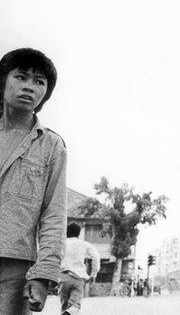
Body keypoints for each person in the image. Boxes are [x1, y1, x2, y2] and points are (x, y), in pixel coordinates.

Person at [0, 48, 67, 314]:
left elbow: (54, 214)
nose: (29, 87)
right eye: (21, 77)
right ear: (3, 81)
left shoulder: (52, 147)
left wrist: (43, 274)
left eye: (39, 82)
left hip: (15, 272)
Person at [59, 223, 100, 315]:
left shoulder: (61, 244)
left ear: (66, 232)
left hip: (63, 277)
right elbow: (96, 257)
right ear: (78, 233)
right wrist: (93, 274)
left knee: (64, 306)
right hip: (78, 278)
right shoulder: (84, 244)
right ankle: (69, 313)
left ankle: (66, 313)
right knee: (75, 306)